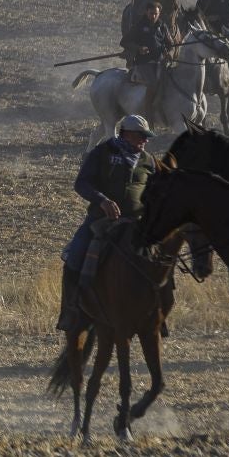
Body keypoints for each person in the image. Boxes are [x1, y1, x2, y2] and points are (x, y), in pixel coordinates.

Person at [57, 114, 156, 332]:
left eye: (146, 137)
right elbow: (81, 184)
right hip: (100, 221)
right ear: (127, 133)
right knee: (75, 255)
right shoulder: (102, 153)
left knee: (161, 259)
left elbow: (156, 192)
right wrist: (102, 201)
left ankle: (158, 311)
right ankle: (70, 310)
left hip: (137, 224)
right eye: (141, 136)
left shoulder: (148, 161)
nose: (145, 141)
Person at [122, 0, 171, 129]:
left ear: (159, 13)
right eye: (151, 13)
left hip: (160, 62)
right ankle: (149, 117)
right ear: (146, 12)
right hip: (144, 63)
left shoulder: (162, 26)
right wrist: (138, 48)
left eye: (156, 13)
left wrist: (168, 52)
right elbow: (124, 42)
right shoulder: (139, 26)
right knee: (153, 84)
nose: (153, 16)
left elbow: (170, 43)